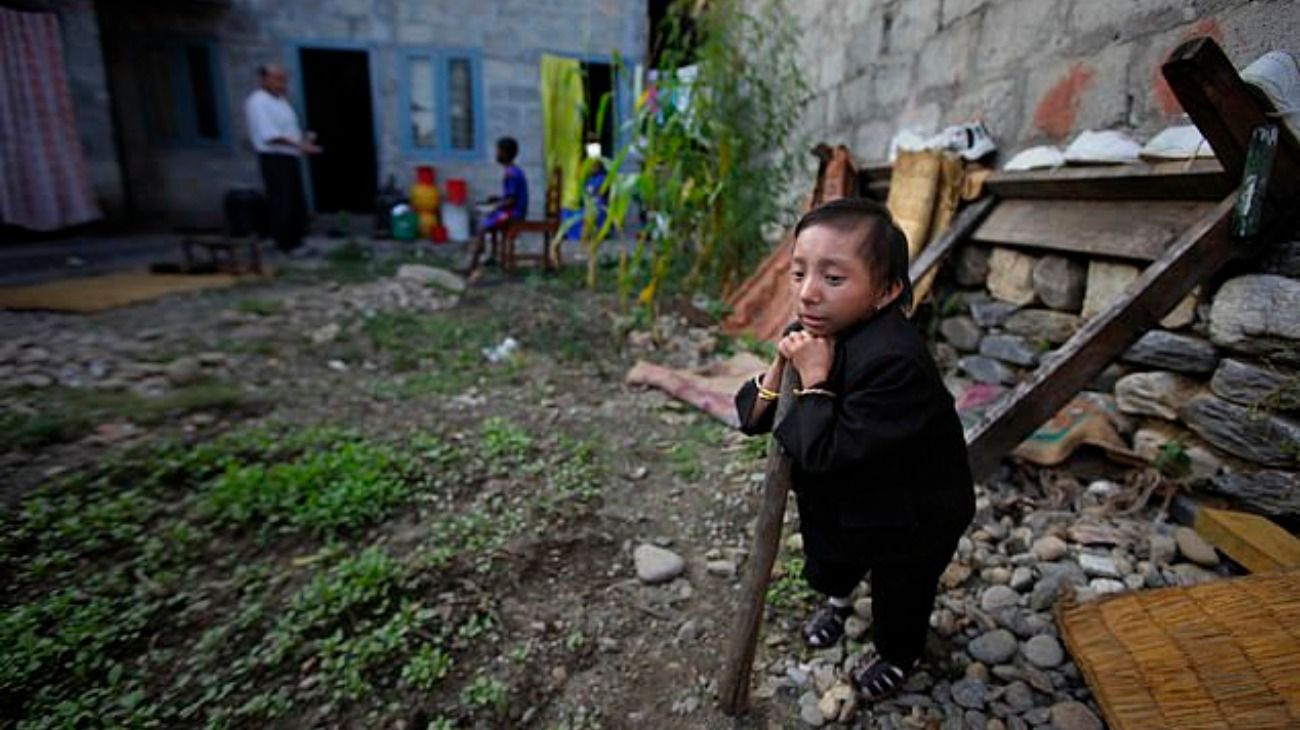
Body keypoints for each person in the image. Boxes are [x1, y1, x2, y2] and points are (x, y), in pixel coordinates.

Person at [734, 197, 975, 702]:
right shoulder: (810, 328)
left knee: (901, 590)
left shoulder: (897, 361)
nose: (808, 294)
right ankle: (840, 600)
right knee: (833, 558)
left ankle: (897, 654)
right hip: (849, 494)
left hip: (915, 510)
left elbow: (826, 451)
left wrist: (816, 380)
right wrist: (781, 369)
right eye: (799, 273)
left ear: (886, 291)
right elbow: (753, 418)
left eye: (834, 279)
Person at [244, 64, 320, 255]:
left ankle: (297, 240)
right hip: (274, 157)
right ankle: (285, 244)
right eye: (277, 79)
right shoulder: (258, 102)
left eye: (283, 79)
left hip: (289, 156)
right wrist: (300, 145)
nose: (282, 84)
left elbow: (289, 129)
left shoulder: (281, 100)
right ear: (264, 79)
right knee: (281, 200)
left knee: (295, 200)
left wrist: (304, 139)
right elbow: (270, 135)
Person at [464, 136, 528, 278]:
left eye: (498, 151)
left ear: (505, 153)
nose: (496, 154)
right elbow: (511, 196)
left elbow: (511, 200)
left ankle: (472, 265)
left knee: (483, 226)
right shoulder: (514, 171)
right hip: (514, 210)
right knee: (488, 219)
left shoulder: (512, 174)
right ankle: (491, 256)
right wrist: (498, 199)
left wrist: (496, 206)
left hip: (514, 213)